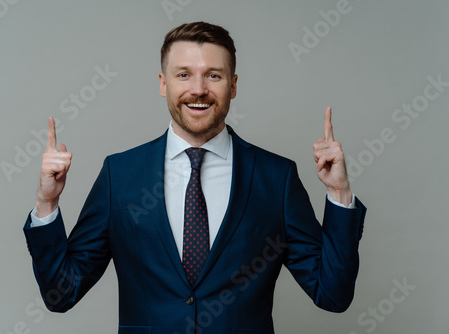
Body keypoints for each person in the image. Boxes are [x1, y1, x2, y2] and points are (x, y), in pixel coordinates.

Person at [23, 21, 366, 333]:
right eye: (183, 75)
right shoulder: (120, 174)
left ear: (233, 86)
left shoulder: (277, 179)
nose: (198, 89)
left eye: (213, 76)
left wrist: (339, 194)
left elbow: (332, 295)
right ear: (163, 84)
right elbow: (62, 294)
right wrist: (47, 203)